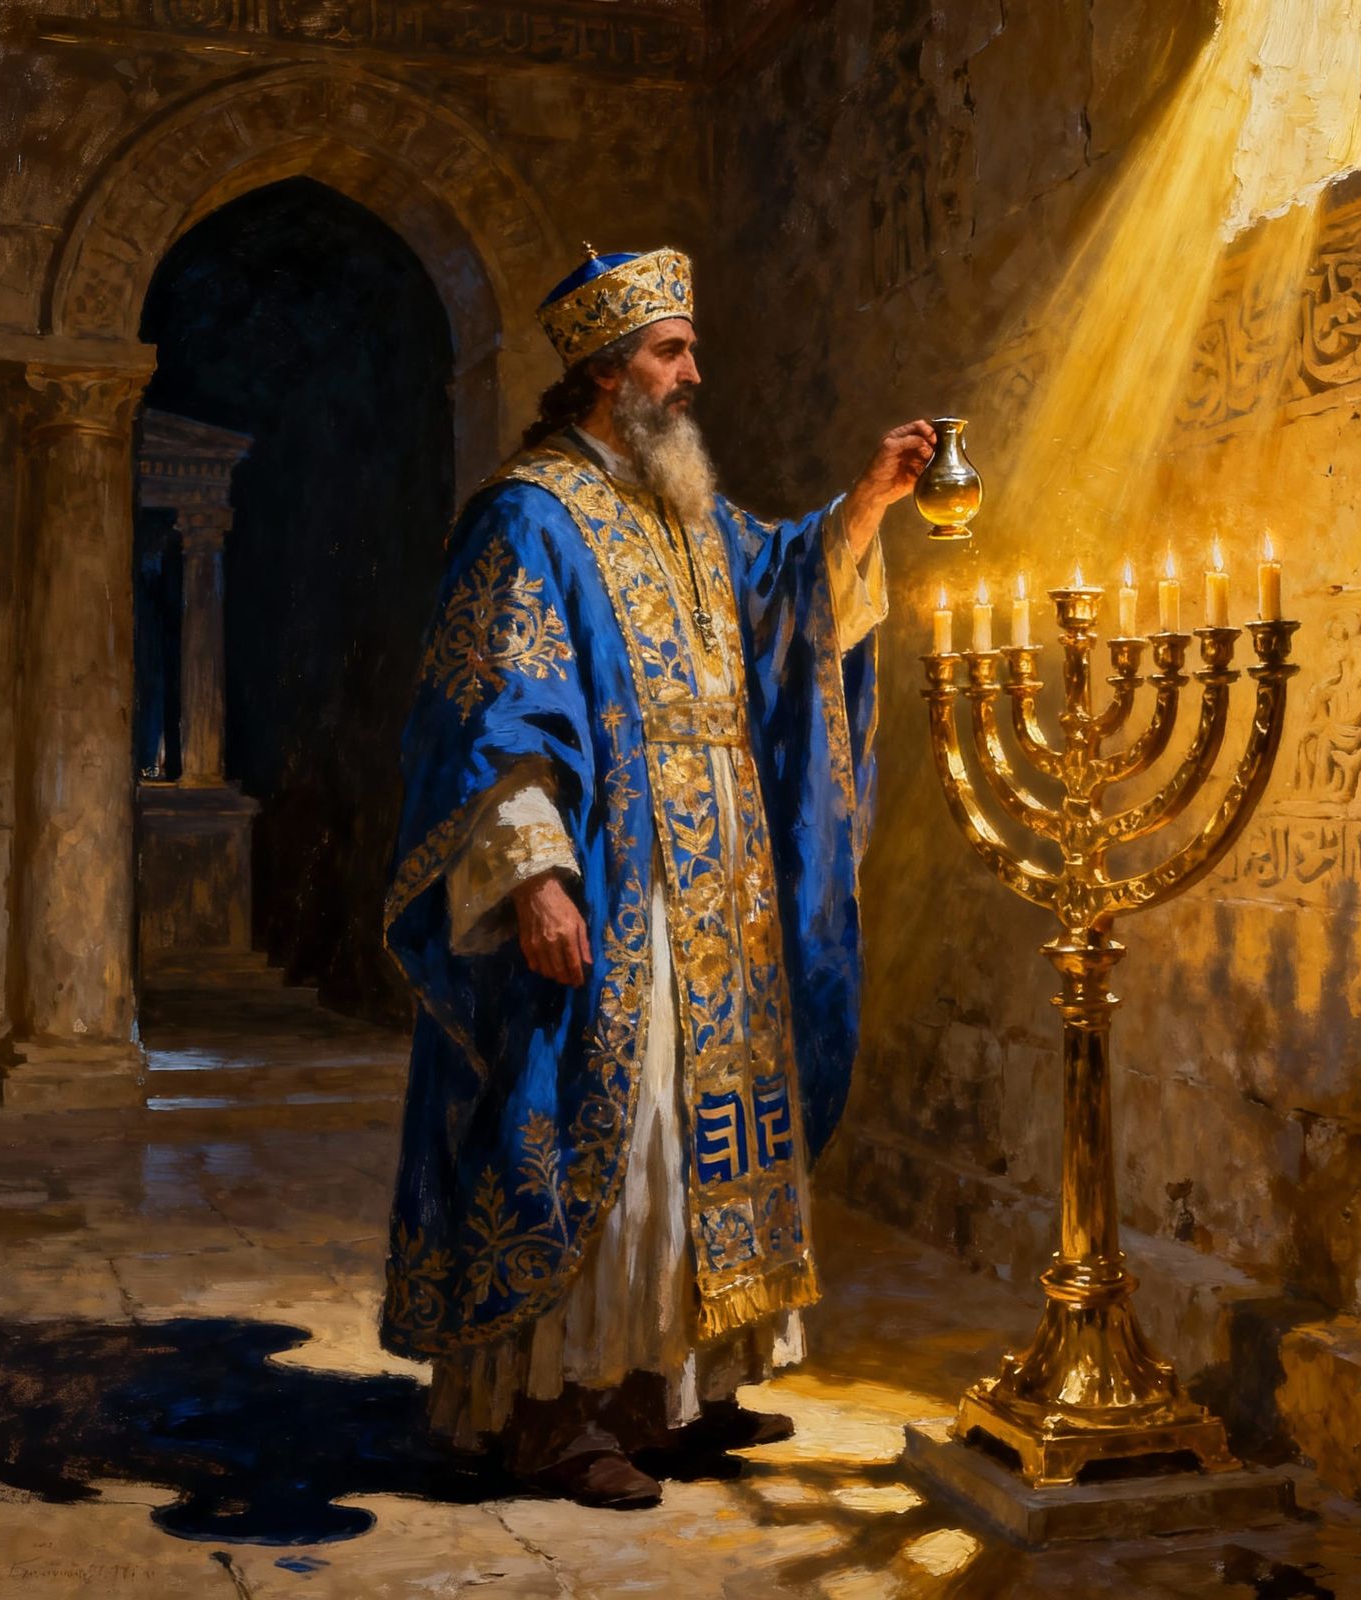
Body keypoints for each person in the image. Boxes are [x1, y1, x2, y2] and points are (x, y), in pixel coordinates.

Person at [378, 244, 934, 1509]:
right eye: (668, 352)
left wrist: (867, 503)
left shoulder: (683, 507)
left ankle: (662, 1394)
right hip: (615, 885)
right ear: (604, 370)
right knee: (608, 1138)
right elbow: (496, 717)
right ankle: (554, 1415)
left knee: (692, 1137)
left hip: (718, 884)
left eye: (689, 350)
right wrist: (535, 879)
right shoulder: (533, 515)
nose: (692, 373)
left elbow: (783, 594)